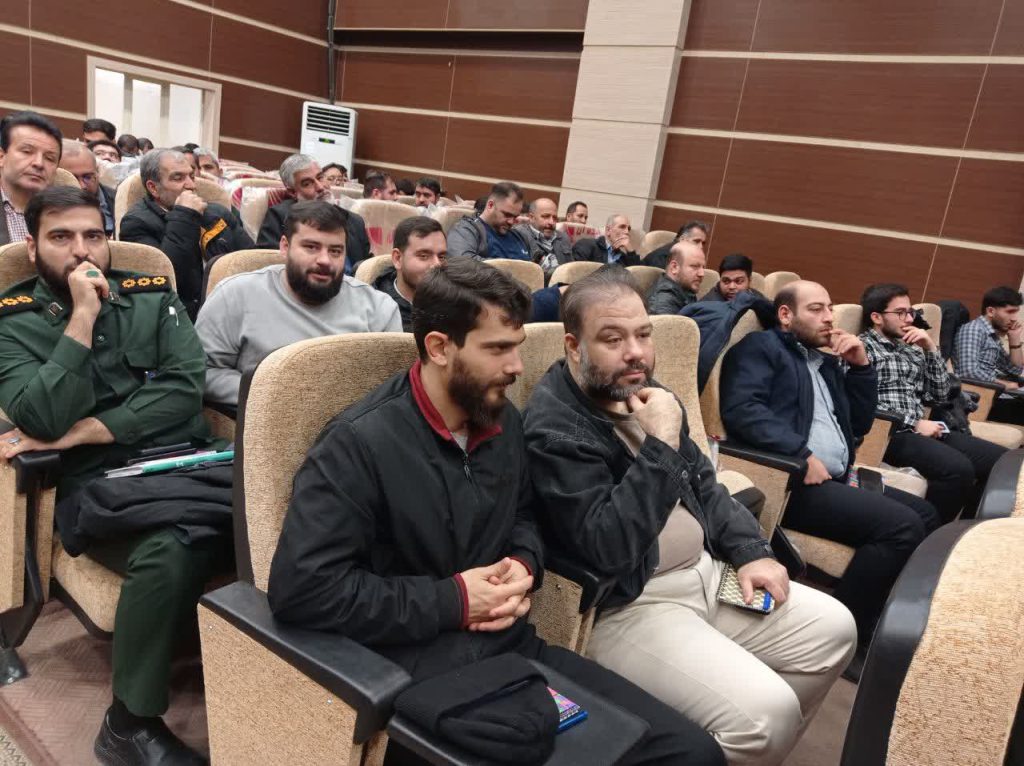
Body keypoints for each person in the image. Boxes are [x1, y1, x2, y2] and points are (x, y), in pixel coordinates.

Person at [267, 257, 727, 766]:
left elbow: (524, 515)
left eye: (518, 347)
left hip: (512, 651)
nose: (516, 366)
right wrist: (454, 600)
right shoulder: (357, 444)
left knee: (693, 753)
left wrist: (524, 563)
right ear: (440, 347)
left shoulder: (502, 420)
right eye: (497, 349)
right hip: (410, 666)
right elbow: (304, 589)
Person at [524, 267, 855, 765]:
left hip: (708, 573)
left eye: (643, 334)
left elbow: (705, 484)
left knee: (835, 629)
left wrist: (750, 550)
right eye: (612, 339)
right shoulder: (555, 429)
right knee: (767, 714)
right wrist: (660, 442)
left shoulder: (646, 391)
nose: (636, 353)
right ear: (574, 347)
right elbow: (606, 547)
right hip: (635, 603)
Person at [0, 186, 228, 766]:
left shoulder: (152, 295)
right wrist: (82, 317)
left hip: (190, 460)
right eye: (61, 237)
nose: (82, 251)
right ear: (33, 249)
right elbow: (40, 417)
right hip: (98, 485)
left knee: (289, 507)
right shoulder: (11, 322)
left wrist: (82, 429)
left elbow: (184, 392)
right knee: (173, 547)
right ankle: (128, 723)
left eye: (94, 236)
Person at [720, 281, 940, 680]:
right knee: (902, 527)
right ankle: (846, 637)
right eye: (816, 309)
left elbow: (858, 425)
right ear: (786, 314)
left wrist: (861, 367)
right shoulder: (761, 349)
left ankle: (877, 618)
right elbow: (743, 410)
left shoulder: (824, 361)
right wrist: (800, 454)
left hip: (836, 477)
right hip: (788, 482)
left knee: (926, 514)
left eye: (830, 309)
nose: (828, 318)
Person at [197, 201, 400, 408]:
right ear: (285, 247)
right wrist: (283, 398)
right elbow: (204, 372)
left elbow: (392, 388)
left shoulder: (379, 309)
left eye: (335, 251)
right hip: (265, 419)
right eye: (311, 247)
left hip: (353, 421)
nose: (325, 260)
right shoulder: (235, 295)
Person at [860, 283, 1006, 523]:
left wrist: (930, 348)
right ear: (876, 317)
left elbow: (940, 395)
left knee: (1001, 463)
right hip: (889, 432)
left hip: (923, 428)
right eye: (900, 313)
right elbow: (857, 403)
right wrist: (914, 423)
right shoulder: (862, 348)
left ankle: (969, 528)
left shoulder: (911, 348)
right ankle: (932, 535)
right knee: (958, 470)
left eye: (910, 312)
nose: (909, 319)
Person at [119, 148, 253, 319]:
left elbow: (251, 262)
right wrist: (184, 216)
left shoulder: (218, 213)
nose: (191, 185)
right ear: (153, 188)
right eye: (178, 178)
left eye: (191, 176)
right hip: (180, 316)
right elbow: (165, 280)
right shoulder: (136, 223)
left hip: (232, 307)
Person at [256, 153, 371, 267]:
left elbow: (366, 267)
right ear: (292, 192)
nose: (320, 187)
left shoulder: (355, 221)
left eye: (320, 177)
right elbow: (270, 263)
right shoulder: (278, 217)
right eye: (307, 184)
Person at [954, 286, 1024, 425]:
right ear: (991, 311)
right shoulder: (974, 330)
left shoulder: (991, 335)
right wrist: (1005, 385)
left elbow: (1015, 370)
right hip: (979, 400)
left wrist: (1014, 339)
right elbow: (968, 372)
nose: (1014, 319)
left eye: (1016, 312)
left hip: (994, 394)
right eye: (1009, 312)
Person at [371, 215, 446, 332]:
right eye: (424, 256)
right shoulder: (373, 312)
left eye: (441, 257)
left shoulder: (454, 302)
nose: (437, 264)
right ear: (398, 258)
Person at [0, 110, 62, 246]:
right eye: (27, 152)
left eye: (49, 158)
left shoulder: (66, 214)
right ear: (2, 157)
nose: (39, 163)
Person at [448, 182, 531, 261]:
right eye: (507, 215)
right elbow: (462, 262)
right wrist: (509, 267)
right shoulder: (465, 230)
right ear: (490, 205)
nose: (511, 222)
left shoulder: (520, 236)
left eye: (515, 217)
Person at [59, 140, 116, 236]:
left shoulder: (119, 200)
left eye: (87, 177)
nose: (82, 186)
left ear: (97, 173)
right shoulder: (43, 207)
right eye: (73, 178)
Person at [514, 197, 573, 275]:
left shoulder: (563, 238)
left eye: (554, 218)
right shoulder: (519, 235)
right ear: (531, 217)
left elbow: (571, 271)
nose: (551, 222)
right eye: (546, 216)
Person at [647, 241, 705, 315]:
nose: (702, 274)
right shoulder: (664, 301)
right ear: (674, 267)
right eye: (695, 266)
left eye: (703, 267)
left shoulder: (685, 289)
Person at [573, 214, 641, 267]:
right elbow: (576, 273)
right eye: (622, 227)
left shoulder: (624, 258)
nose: (627, 232)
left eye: (628, 229)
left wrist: (631, 251)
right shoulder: (587, 245)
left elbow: (639, 275)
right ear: (608, 230)